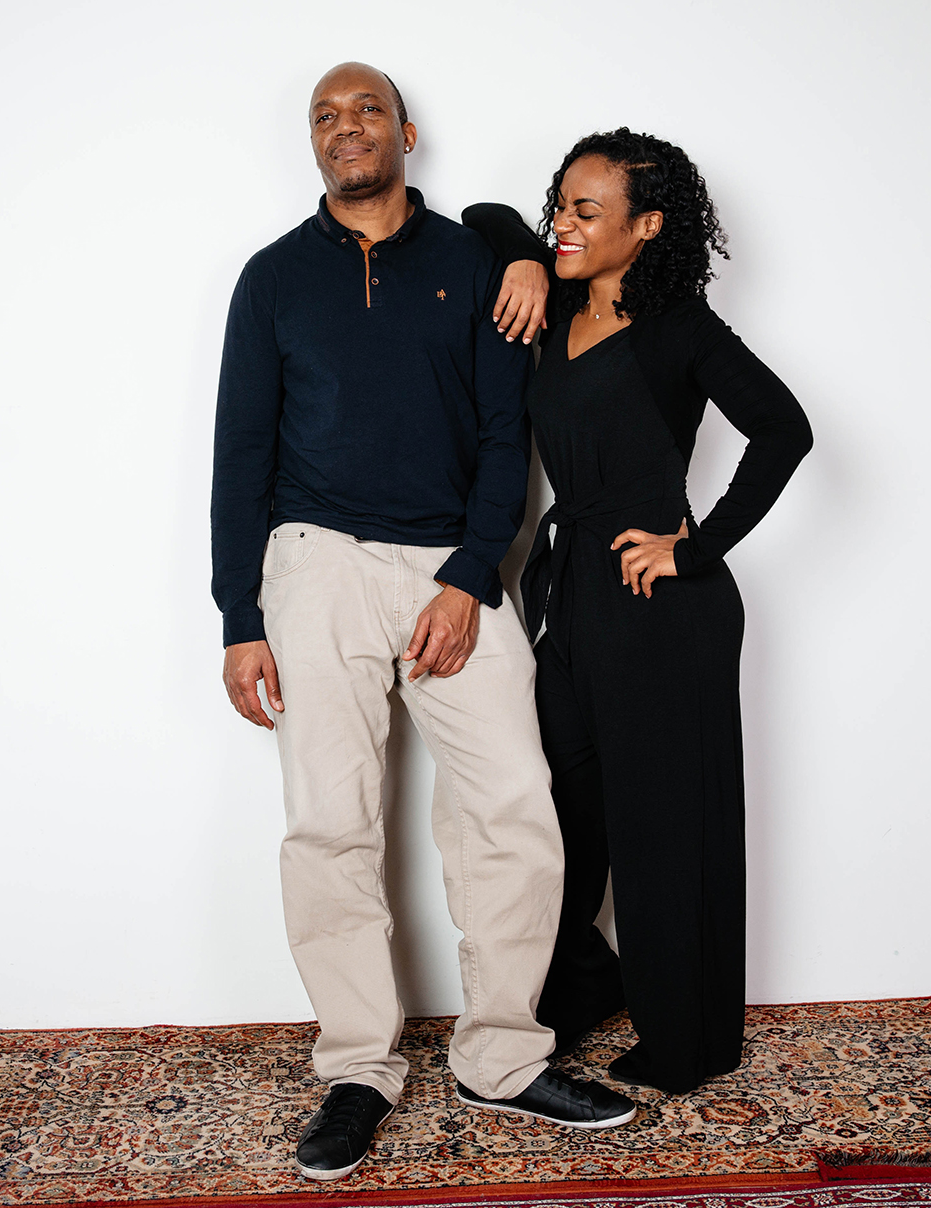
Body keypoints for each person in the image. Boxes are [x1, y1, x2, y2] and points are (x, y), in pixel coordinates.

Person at [211, 64, 635, 1182]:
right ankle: (356, 1066)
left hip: (452, 564)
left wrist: (466, 577)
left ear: (404, 131)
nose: (344, 128)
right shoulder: (270, 281)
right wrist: (237, 616)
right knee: (330, 825)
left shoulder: (473, 262)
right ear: (312, 144)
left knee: (511, 803)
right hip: (314, 566)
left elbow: (509, 442)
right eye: (321, 115)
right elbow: (239, 454)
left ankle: (501, 1055)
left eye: (364, 111)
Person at [462, 127, 813, 1095]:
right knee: (558, 818)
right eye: (560, 207)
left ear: (648, 226)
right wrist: (531, 258)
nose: (563, 226)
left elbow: (786, 430)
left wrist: (693, 547)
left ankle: (688, 1038)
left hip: (661, 604)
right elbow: (484, 219)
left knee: (665, 828)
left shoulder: (680, 329)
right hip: (569, 595)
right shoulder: (551, 299)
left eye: (587, 212)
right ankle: (585, 984)